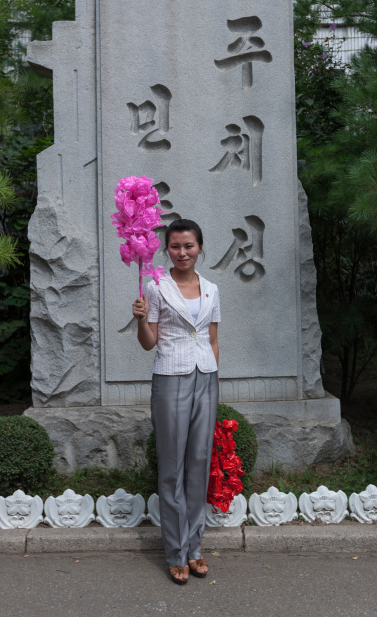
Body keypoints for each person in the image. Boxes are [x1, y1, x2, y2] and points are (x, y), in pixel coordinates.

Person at [132, 218, 220, 586]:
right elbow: (149, 343)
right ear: (165, 249)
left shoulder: (212, 289)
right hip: (170, 377)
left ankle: (194, 547)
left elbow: (214, 338)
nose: (182, 252)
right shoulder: (155, 287)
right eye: (175, 246)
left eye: (189, 246)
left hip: (207, 379)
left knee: (200, 462)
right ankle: (175, 553)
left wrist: (215, 375)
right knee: (172, 468)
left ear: (199, 248)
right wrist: (139, 321)